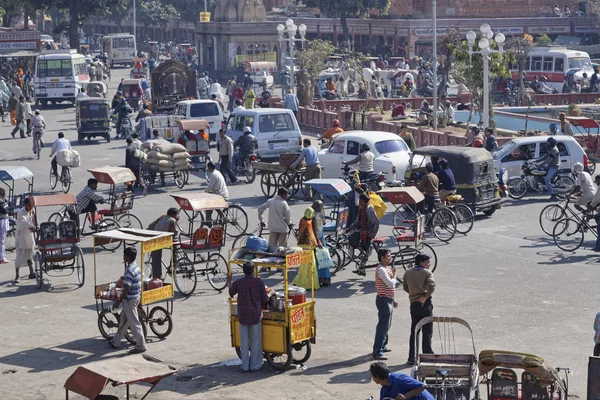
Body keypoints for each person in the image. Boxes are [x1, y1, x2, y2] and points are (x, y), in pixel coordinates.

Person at [229, 261, 269, 372]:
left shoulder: (239, 282)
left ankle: (245, 366)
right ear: (253, 271)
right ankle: (255, 365)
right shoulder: (259, 282)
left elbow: (231, 292)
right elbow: (265, 299)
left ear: (243, 271)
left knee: (244, 341)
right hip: (256, 315)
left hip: (243, 315)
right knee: (256, 340)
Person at [108, 247, 147, 354]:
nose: (123, 256)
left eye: (124, 254)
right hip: (135, 297)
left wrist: (118, 301)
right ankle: (116, 341)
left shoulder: (129, 270)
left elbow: (127, 288)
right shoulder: (136, 267)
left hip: (130, 300)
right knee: (124, 320)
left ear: (128, 257)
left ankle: (141, 345)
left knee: (134, 323)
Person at [403, 254, 436, 365]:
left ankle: (412, 357)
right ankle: (427, 355)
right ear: (421, 262)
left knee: (415, 330)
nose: (429, 264)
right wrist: (424, 297)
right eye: (427, 262)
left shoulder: (408, 272)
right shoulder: (427, 273)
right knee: (427, 331)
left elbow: (405, 287)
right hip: (425, 304)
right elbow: (432, 286)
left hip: (413, 304)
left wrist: (414, 295)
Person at [372, 249, 398, 360]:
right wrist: (395, 276)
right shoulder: (381, 269)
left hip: (389, 300)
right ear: (382, 257)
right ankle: (377, 351)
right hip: (384, 300)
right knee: (383, 326)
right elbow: (391, 284)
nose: (390, 258)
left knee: (387, 325)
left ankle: (383, 345)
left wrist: (394, 299)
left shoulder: (387, 268)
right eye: (388, 256)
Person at [370, 361, 434, 400]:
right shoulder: (384, 390)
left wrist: (405, 396)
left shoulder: (399, 379)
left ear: (377, 376)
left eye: (372, 375)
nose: (371, 377)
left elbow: (423, 386)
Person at [293, 207, 322, 290]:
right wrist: (317, 243)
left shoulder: (302, 220)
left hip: (303, 245)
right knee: (310, 266)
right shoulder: (309, 223)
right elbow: (312, 236)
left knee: (303, 265)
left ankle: (301, 280)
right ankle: (309, 283)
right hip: (309, 246)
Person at [149, 208, 180, 279]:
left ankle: (157, 277)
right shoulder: (172, 220)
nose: (178, 216)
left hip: (155, 238)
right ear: (172, 215)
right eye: (177, 215)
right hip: (161, 240)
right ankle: (173, 264)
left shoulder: (163, 217)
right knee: (176, 246)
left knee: (156, 258)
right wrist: (177, 222)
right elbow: (175, 232)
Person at [346, 193, 379, 258]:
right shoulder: (362, 208)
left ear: (363, 201)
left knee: (351, 238)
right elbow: (357, 221)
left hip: (367, 231)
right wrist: (349, 229)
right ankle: (363, 255)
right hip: (362, 229)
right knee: (352, 236)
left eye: (360, 200)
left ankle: (363, 252)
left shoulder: (369, 210)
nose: (359, 201)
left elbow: (376, 223)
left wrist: (373, 233)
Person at [14, 197, 36, 283]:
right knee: (19, 256)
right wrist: (32, 227)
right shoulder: (21, 213)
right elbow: (24, 222)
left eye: (31, 206)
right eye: (29, 206)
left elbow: (33, 220)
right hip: (21, 236)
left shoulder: (32, 210)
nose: (31, 207)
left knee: (29, 254)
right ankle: (17, 276)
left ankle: (31, 272)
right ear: (26, 205)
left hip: (28, 235)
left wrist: (34, 225)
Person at [535, 136, 560, 201]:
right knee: (538, 171)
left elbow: (548, 160)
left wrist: (540, 165)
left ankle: (552, 195)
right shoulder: (551, 149)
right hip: (550, 165)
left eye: (548, 143)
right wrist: (536, 161)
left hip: (554, 166)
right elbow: (545, 156)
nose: (547, 144)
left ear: (551, 143)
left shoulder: (554, 150)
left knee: (547, 179)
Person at [0, 187, 8, 264]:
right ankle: (2, 258)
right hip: (1, 221)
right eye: (3, 193)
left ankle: (3, 256)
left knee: (2, 240)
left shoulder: (3, 199)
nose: (5, 194)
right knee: (1, 240)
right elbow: (4, 211)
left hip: (4, 220)